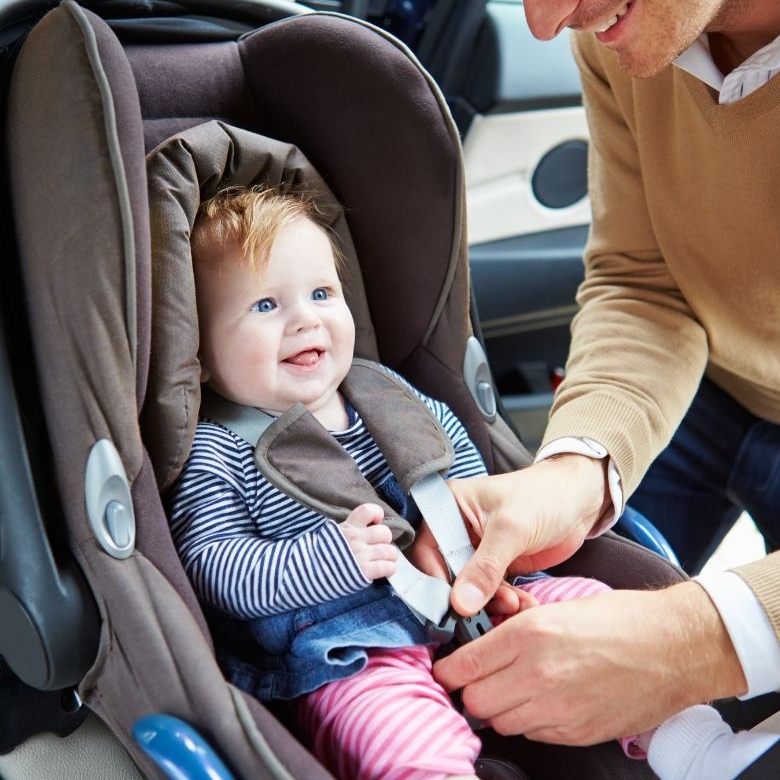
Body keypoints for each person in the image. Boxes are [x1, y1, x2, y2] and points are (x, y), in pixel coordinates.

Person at [433, 0, 780, 774]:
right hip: (698, 397)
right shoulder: (631, 29)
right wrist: (574, 470)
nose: (542, 18)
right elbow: (645, 281)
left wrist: (697, 641)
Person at [169, 185, 631, 780]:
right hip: (351, 648)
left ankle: (690, 743)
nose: (305, 318)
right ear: (200, 352)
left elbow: (457, 466)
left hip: (473, 595)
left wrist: (480, 536)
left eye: (321, 293)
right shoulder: (220, 449)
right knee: (398, 735)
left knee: (600, 619)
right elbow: (216, 569)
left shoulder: (384, 391)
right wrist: (329, 559)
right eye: (265, 306)